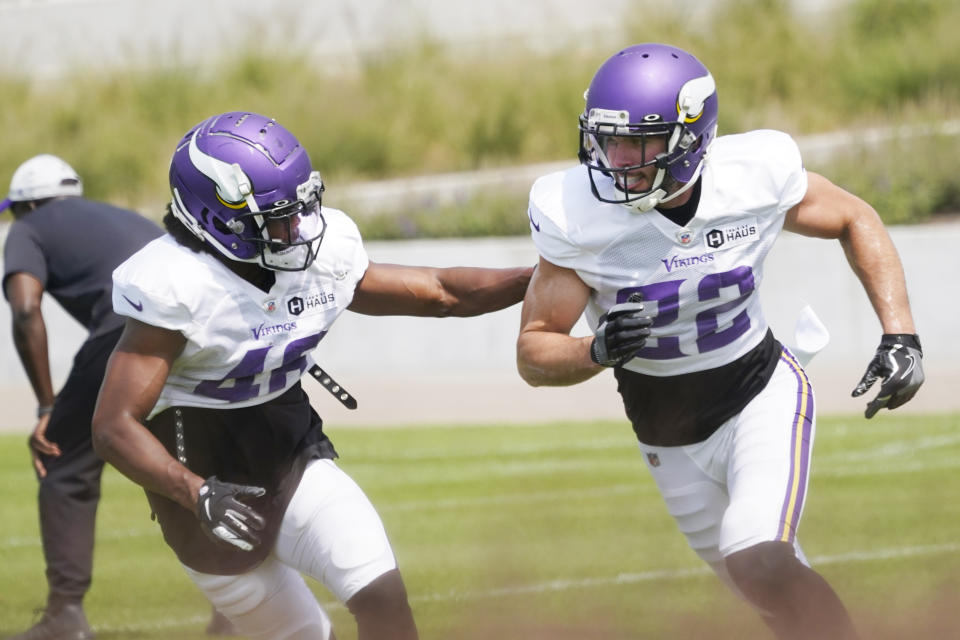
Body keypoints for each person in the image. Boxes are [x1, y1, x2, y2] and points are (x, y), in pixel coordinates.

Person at [516, 43, 923, 640]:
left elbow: (854, 217)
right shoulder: (580, 217)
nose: (616, 158)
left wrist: (901, 334)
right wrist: (593, 351)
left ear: (690, 139)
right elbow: (533, 349)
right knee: (772, 596)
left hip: (757, 396)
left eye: (639, 141)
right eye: (608, 139)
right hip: (668, 442)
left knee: (757, 556)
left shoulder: (749, 179)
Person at [90, 111, 531, 640]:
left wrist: (541, 276)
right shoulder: (177, 284)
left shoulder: (321, 254)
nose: (298, 229)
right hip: (199, 474)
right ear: (219, 217)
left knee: (385, 603)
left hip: (288, 449)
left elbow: (441, 292)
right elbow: (113, 426)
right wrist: (194, 491)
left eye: (299, 209)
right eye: (278, 218)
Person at [2, 155, 237, 640]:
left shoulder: (29, 228)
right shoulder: (119, 216)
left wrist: (47, 407)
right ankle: (241, 605)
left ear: (24, 206)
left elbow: (25, 309)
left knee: (63, 463)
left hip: (133, 333)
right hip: (199, 329)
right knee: (182, 466)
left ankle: (65, 614)